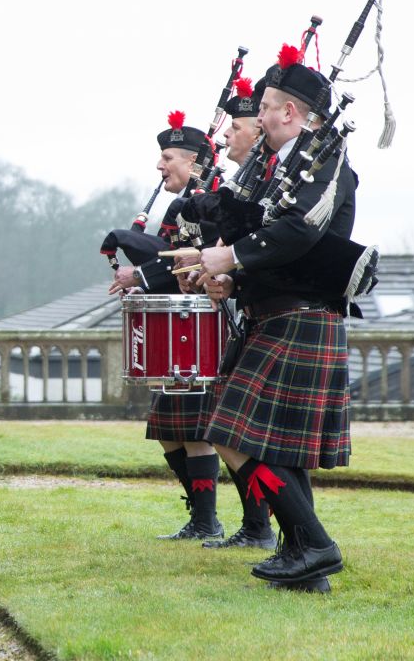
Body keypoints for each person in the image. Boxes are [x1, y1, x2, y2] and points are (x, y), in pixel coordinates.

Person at [196, 46, 356, 592]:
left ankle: (314, 545)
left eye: (264, 106)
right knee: (271, 443)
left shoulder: (327, 161)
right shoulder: (278, 168)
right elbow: (265, 244)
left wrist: (232, 258)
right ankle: (303, 563)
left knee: (233, 430)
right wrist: (231, 278)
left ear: (290, 112)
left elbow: (303, 230)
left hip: (305, 317)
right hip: (270, 314)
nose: (256, 115)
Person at [110, 111, 223, 541]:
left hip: (206, 331)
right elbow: (166, 259)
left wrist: (138, 277)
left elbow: (212, 255)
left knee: (197, 435)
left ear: (195, 163)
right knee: (170, 435)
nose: (160, 166)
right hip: (178, 332)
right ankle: (201, 516)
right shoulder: (177, 208)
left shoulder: (217, 197)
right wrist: (141, 280)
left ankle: (219, 522)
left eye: (168, 158)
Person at [181, 76, 278, 551]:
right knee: (226, 431)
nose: (225, 137)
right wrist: (224, 277)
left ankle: (286, 536)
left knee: (241, 435)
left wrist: (226, 271)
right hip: (257, 315)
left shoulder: (281, 182)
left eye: (236, 127)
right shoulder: (243, 185)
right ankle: (275, 535)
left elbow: (285, 245)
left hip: (283, 319)